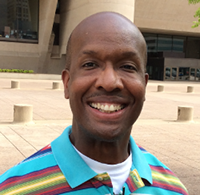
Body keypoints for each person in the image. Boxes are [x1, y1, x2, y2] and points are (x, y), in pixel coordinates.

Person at [0, 12, 188, 195]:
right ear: (67, 83)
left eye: (127, 67)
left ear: (144, 85)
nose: (109, 82)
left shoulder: (172, 189)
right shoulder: (14, 189)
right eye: (90, 64)